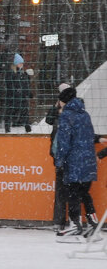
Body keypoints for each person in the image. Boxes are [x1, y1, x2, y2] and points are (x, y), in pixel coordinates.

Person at [53, 86, 98, 236]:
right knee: (84, 192)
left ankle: (75, 224)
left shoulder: (67, 116)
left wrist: (60, 161)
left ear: (63, 101)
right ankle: (93, 223)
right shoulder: (85, 114)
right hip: (88, 160)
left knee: (72, 193)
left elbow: (64, 142)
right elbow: (90, 136)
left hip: (74, 160)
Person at [45, 83, 72, 231]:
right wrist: (56, 108)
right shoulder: (57, 112)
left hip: (68, 156)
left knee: (71, 190)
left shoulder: (74, 111)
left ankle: (72, 220)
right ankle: (62, 220)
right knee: (62, 189)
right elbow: (48, 120)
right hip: (60, 155)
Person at [1, 54, 33, 133]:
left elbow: (25, 85)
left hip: (21, 97)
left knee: (24, 112)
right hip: (12, 98)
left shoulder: (22, 73)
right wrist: (16, 91)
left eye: (22, 63)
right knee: (9, 113)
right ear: (16, 63)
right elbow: (10, 85)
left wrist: (28, 93)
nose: (22, 65)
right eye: (20, 63)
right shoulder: (10, 73)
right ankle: (7, 129)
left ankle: (27, 128)